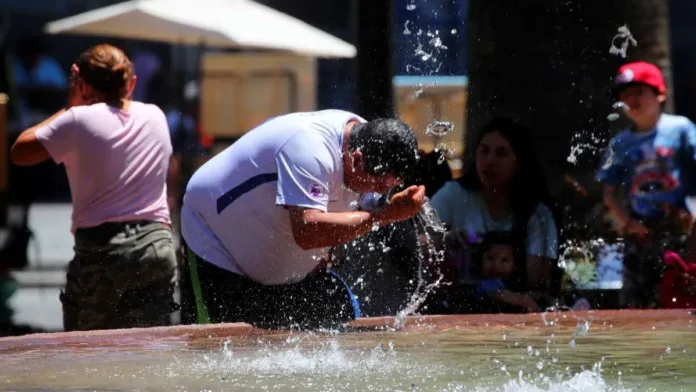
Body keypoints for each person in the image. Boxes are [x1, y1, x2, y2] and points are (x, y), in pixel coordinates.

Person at [179, 111, 425, 329]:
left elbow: (355, 208)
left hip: (282, 261)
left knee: (343, 324)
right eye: (377, 184)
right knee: (214, 350)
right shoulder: (310, 150)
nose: (381, 192)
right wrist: (384, 216)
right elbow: (308, 232)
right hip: (215, 243)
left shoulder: (372, 141)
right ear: (356, 159)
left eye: (391, 185)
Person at [10, 44, 178, 331]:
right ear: (132, 83)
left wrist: (70, 106)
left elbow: (19, 151)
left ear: (82, 83)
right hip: (157, 247)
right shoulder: (155, 115)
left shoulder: (77, 120)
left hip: (104, 251)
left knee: (90, 354)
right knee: (151, 352)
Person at [597, 61, 696, 309]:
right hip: (640, 234)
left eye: (639, 91)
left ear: (660, 94)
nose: (632, 99)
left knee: (682, 299)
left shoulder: (681, 129)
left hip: (681, 232)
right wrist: (630, 225)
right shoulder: (620, 144)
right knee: (637, 305)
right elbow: (609, 194)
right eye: (625, 94)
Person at [430, 117, 560, 304]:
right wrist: (443, 241)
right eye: (484, 151)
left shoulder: (538, 216)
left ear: (519, 162)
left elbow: (539, 284)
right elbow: (418, 246)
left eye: (501, 154)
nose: (489, 161)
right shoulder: (452, 196)